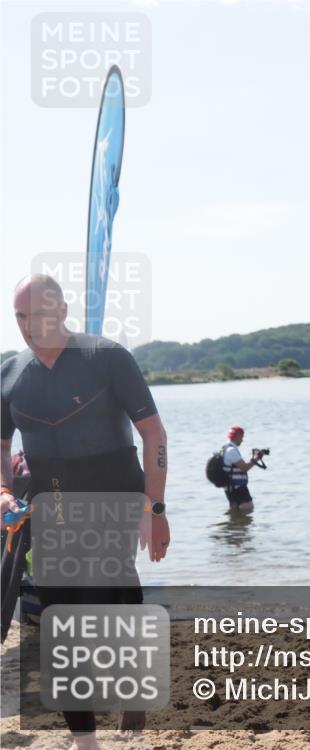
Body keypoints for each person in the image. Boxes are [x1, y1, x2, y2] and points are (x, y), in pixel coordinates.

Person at [0, 274, 170, 748]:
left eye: (36, 314)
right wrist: (2, 491)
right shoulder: (10, 373)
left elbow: (154, 435)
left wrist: (155, 509)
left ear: (62, 311)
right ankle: (85, 741)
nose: (27, 325)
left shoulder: (107, 357)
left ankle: (133, 698)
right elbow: (1, 446)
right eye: (19, 315)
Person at [221, 426, 263, 513]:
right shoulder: (231, 450)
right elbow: (244, 468)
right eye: (242, 437)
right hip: (237, 487)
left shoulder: (224, 449)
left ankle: (235, 524)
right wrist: (256, 458)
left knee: (235, 513)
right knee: (248, 509)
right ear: (238, 436)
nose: (242, 440)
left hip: (230, 488)